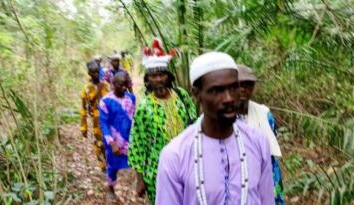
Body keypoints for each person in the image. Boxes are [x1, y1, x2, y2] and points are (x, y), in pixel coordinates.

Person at [156, 52, 275, 205]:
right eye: (217, 91)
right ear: (197, 94)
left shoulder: (258, 142)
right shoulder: (175, 155)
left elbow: (267, 200)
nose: (229, 98)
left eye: (233, 87)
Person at [128, 38, 197, 204]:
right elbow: (137, 143)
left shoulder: (181, 96)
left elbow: (195, 125)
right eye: (153, 76)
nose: (158, 79)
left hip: (187, 165)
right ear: (148, 80)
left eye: (161, 74)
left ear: (168, 76)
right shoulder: (144, 107)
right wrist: (140, 179)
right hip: (157, 170)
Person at [237, 64, 285, 204]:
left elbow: (271, 142)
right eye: (239, 85)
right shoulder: (224, 119)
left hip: (267, 172)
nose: (243, 90)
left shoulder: (264, 114)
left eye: (248, 85)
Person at [99, 72, 136, 199]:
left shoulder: (131, 98)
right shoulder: (105, 101)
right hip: (113, 141)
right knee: (112, 166)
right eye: (120, 85)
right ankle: (111, 187)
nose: (124, 88)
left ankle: (138, 186)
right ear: (113, 84)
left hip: (128, 138)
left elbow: (133, 117)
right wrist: (112, 142)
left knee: (135, 162)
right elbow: (103, 123)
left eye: (125, 85)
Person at [79, 61, 109, 171]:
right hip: (95, 119)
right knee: (98, 141)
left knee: (108, 140)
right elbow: (83, 109)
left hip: (107, 117)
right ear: (89, 73)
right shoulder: (87, 89)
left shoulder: (105, 85)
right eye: (93, 72)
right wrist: (84, 127)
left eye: (97, 72)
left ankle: (109, 162)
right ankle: (102, 165)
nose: (96, 74)